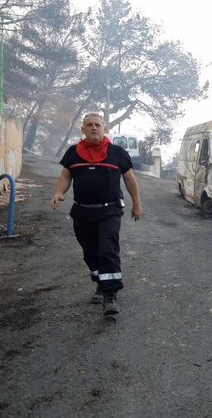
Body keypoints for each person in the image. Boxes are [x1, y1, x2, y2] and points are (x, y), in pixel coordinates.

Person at [50, 112, 142, 316]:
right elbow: (66, 176)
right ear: (82, 129)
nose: (93, 128)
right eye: (89, 125)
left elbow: (130, 180)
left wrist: (137, 204)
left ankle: (110, 295)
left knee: (107, 248)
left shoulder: (117, 152)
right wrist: (58, 192)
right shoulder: (73, 152)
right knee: (90, 252)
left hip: (109, 210)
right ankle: (101, 283)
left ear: (104, 128)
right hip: (82, 212)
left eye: (97, 125)